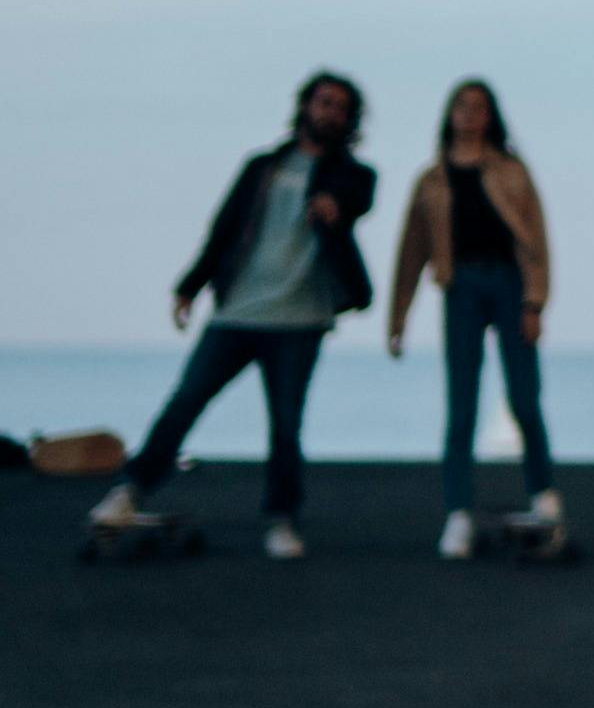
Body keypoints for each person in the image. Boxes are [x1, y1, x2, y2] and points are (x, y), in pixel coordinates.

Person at [91, 72, 378, 557]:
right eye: (323, 102)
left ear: (349, 120)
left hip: (300, 319)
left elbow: (357, 198)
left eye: (340, 107)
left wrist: (334, 206)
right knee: (185, 401)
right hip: (238, 312)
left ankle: (282, 520)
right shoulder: (262, 167)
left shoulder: (352, 174)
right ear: (305, 106)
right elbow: (223, 230)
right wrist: (189, 286)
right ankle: (128, 492)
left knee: (286, 425)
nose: (329, 112)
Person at [386, 79, 558, 558]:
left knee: (525, 397)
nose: (470, 115)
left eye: (479, 108)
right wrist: (398, 318)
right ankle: (459, 514)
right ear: (449, 114)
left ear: (491, 116)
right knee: (461, 405)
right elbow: (410, 251)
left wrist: (534, 302)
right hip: (459, 288)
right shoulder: (432, 180)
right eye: (462, 106)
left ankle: (545, 497)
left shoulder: (511, 171)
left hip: (508, 284)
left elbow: (536, 239)